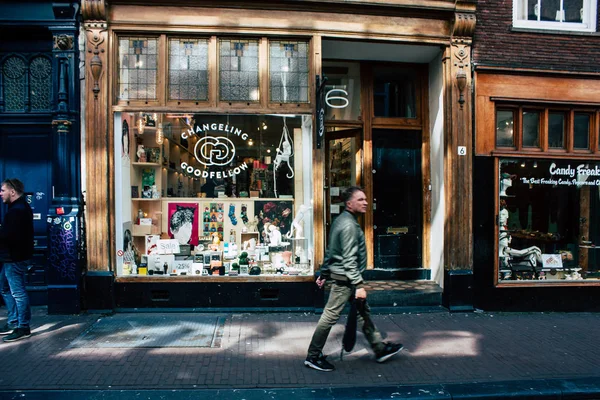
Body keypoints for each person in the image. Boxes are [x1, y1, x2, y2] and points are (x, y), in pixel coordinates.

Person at [304, 186, 403, 372]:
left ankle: (379, 348)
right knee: (329, 317)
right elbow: (348, 259)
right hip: (346, 281)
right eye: (360, 200)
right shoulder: (349, 225)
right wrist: (358, 285)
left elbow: (331, 251)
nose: (365, 202)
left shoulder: (340, 220)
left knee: (363, 312)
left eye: (365, 199)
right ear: (349, 204)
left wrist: (324, 273)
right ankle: (313, 356)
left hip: (345, 277)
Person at [0, 178, 34, 342]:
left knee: (17, 292)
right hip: (11, 258)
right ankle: (14, 322)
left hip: (14, 258)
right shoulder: (20, 208)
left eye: (3, 190)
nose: (1, 193)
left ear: (12, 192)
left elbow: (10, 237)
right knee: (5, 288)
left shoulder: (16, 211)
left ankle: (23, 326)